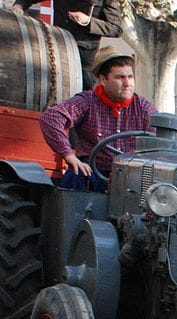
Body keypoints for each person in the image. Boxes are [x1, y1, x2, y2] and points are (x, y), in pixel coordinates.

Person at [38, 48, 156, 191]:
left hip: (131, 178)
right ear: (103, 79)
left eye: (130, 77)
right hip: (93, 172)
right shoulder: (87, 101)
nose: (127, 83)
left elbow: (158, 140)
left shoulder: (144, 107)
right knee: (75, 175)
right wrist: (68, 155)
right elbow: (51, 117)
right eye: (120, 77)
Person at [16, 0, 123, 91]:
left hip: (83, 56)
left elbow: (115, 28)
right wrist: (19, 5)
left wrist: (88, 21)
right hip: (57, 48)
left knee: (82, 94)